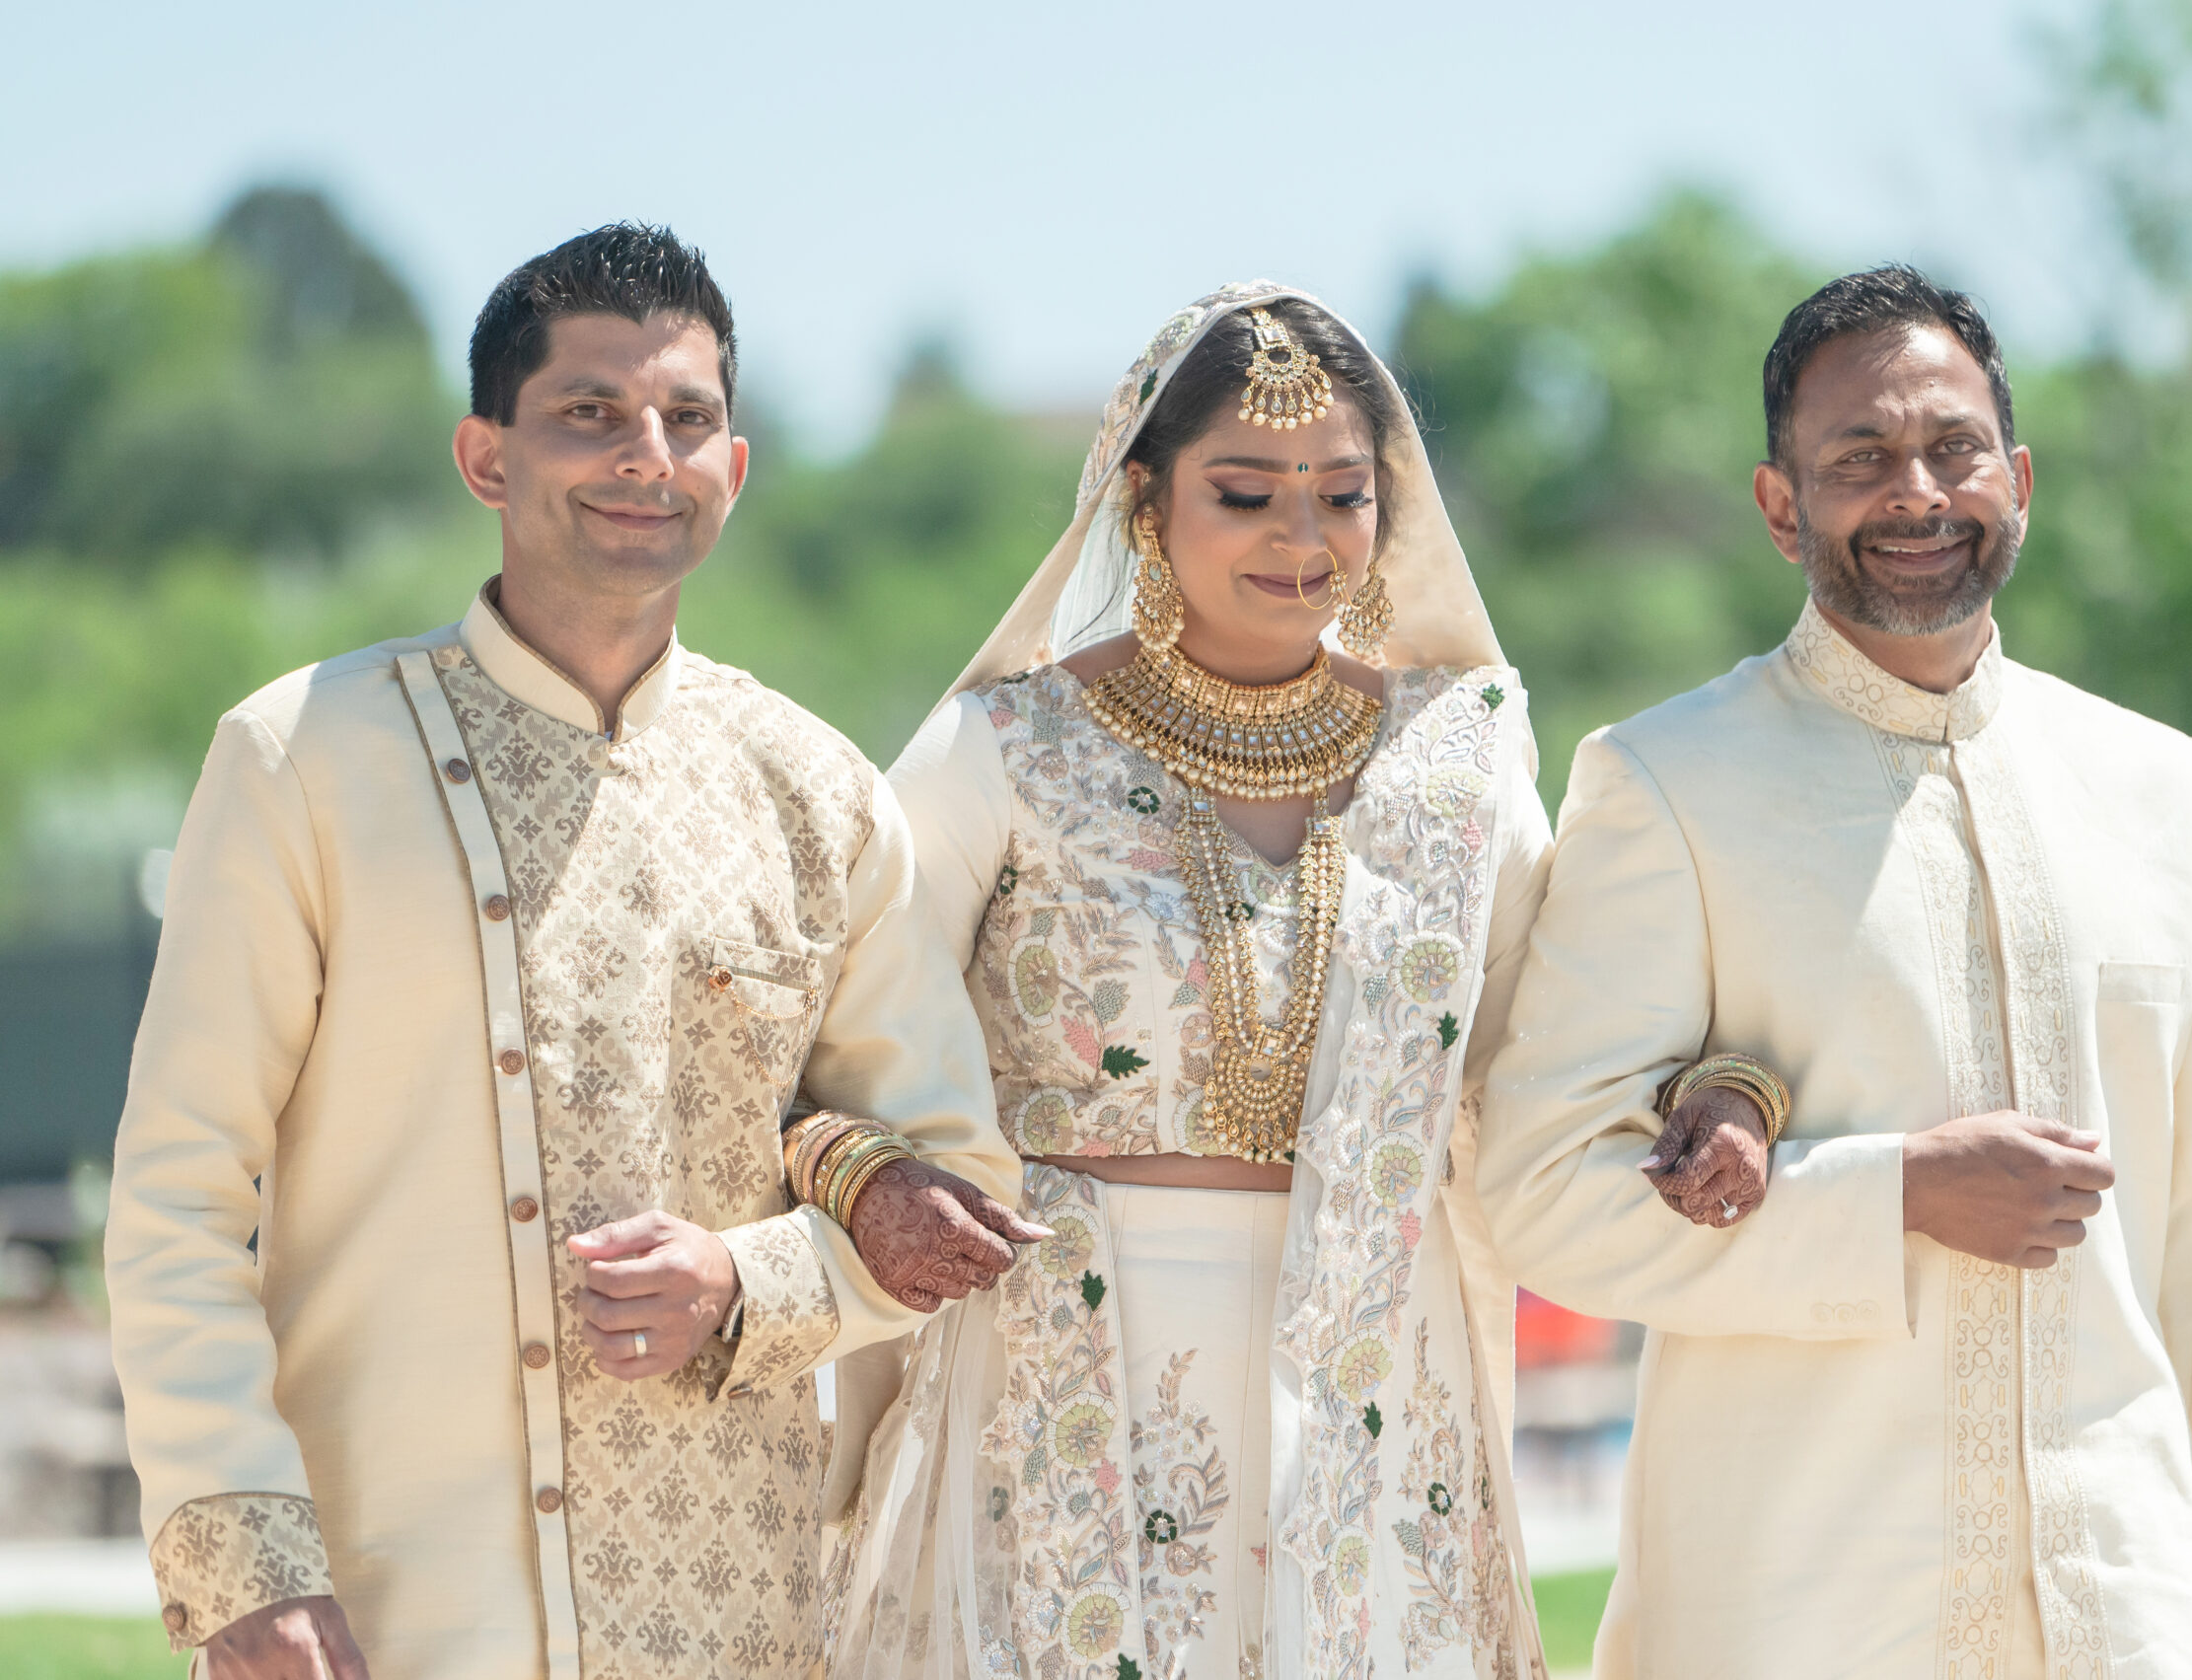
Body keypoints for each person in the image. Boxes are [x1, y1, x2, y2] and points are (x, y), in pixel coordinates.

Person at [104, 224, 1036, 1680]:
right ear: (487, 457)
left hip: (743, 1612)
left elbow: (959, 1189)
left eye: (688, 419)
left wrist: (748, 1282)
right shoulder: (305, 758)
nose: (643, 454)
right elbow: (178, 1191)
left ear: (734, 468)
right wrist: (243, 1561)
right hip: (390, 1601)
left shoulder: (819, 793)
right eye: (589, 413)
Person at [822, 284, 1754, 1680]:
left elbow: (1558, 1043)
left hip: (1379, 1356)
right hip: (1071, 1357)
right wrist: (863, 1169)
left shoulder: (1460, 762)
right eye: (1247, 493)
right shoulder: (1003, 750)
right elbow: (847, 1019)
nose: (1302, 539)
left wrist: (1721, 1089)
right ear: (1144, 500)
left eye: (1342, 496)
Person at [1481, 266, 2192, 1679]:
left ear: (2017, 477)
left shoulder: (2152, 786)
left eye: (1952, 448)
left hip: (2125, 1620)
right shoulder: (1666, 785)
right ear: (1781, 507)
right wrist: (1893, 1192)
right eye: (1859, 458)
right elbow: (1536, 1197)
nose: (1916, 492)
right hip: (1795, 1616)